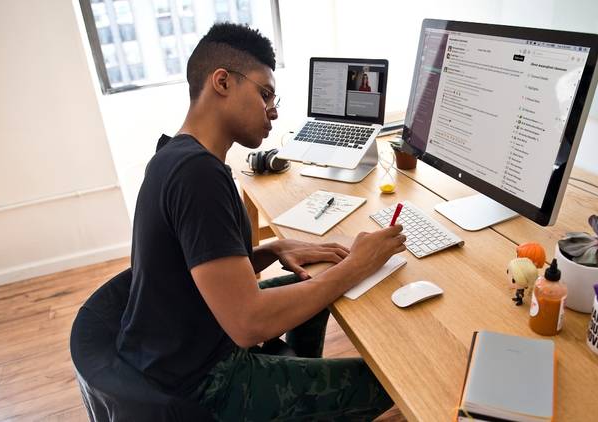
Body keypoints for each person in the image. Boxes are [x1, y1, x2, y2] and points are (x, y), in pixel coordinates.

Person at [116, 22, 406, 420]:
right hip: (204, 384)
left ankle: (299, 386)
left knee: (317, 269)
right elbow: (248, 323)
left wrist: (269, 250)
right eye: (265, 94)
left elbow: (196, 270)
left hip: (176, 347)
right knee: (392, 380)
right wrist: (359, 264)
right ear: (222, 82)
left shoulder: (175, 155)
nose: (273, 110)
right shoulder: (199, 176)